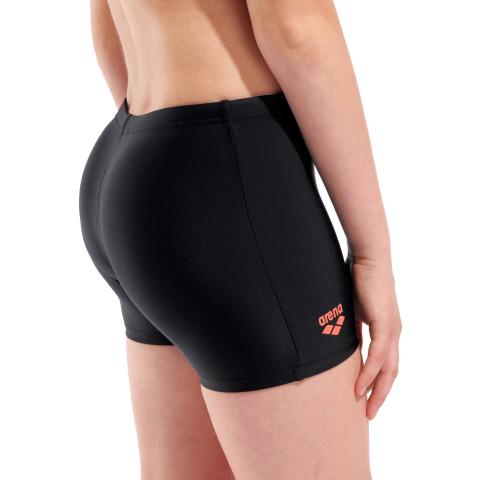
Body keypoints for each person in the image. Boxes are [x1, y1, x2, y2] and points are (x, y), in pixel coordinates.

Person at [79, 0, 402, 478]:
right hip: (229, 179)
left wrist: (158, 173)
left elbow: (108, 28)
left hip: (133, 159)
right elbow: (295, 29)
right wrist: (372, 255)